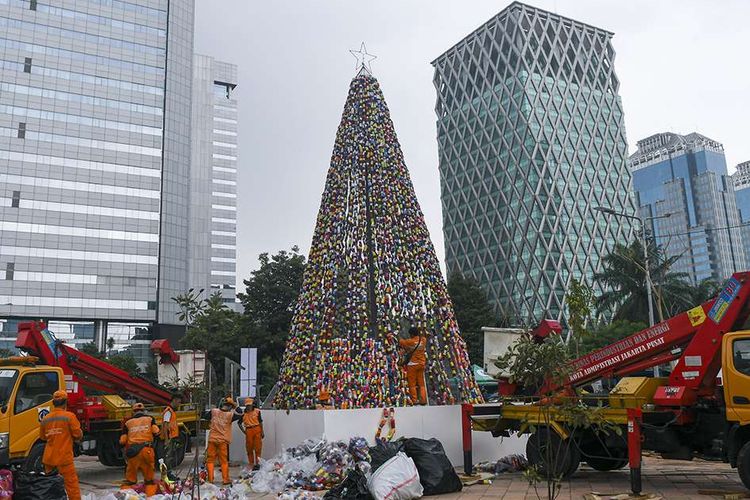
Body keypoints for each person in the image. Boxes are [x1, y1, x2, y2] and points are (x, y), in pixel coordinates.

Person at [39, 390, 83, 500]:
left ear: (53, 403)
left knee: (50, 485)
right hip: (64, 458)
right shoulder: (69, 416)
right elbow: (77, 434)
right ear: (66, 402)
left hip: (49, 459)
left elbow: (43, 437)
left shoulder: (45, 418)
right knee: (71, 485)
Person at [120, 402, 160, 496]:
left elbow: (122, 440)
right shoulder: (150, 419)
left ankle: (128, 496)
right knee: (149, 480)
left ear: (133, 412)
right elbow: (156, 431)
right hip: (147, 450)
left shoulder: (127, 423)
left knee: (130, 480)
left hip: (133, 452)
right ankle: (151, 497)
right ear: (143, 411)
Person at [204, 397, 240, 485]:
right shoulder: (230, 415)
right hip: (222, 441)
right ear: (230, 406)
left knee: (210, 460)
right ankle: (225, 479)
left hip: (212, 439)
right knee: (223, 461)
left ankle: (210, 479)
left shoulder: (214, 411)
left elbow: (205, 417)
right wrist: (236, 406)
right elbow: (242, 414)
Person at [398, 327, 428, 405]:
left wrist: (398, 335)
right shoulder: (423, 340)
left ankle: (414, 400)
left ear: (411, 334)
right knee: (421, 384)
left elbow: (401, 342)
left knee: (412, 384)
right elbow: (424, 336)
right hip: (421, 364)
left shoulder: (410, 341)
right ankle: (423, 400)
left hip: (412, 365)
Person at [238, 398, 264, 469]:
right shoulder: (244, 414)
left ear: (252, 405)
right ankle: (251, 463)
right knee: (249, 449)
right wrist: (244, 431)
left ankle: (258, 464)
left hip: (257, 429)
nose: (248, 407)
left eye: (250, 405)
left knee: (258, 448)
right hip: (248, 431)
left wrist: (262, 431)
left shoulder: (257, 411)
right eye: (247, 405)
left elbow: (260, 422)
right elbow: (239, 423)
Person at [159, 393, 181, 468]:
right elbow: (165, 426)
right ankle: (167, 475)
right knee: (167, 458)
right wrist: (166, 440)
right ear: (174, 400)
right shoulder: (168, 411)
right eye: (179, 402)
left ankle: (169, 474)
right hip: (169, 438)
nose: (179, 404)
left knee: (170, 457)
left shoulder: (172, 411)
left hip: (172, 437)